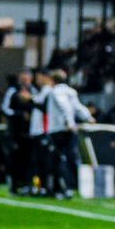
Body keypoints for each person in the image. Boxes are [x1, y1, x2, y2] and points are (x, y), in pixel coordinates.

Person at [31, 69, 91, 200]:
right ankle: (71, 187)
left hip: (58, 129)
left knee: (57, 159)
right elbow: (77, 107)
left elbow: (64, 107)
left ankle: (62, 188)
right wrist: (88, 116)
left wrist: (69, 122)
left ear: (53, 80)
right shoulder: (71, 91)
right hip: (69, 129)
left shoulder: (55, 92)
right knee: (70, 158)